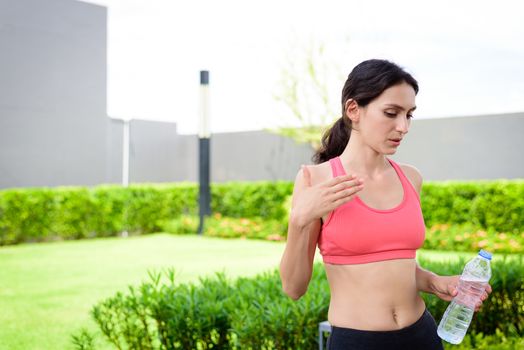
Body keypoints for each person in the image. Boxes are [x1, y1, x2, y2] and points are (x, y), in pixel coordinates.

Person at [279, 59, 492, 350]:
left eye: (409, 115)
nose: (403, 127)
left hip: (422, 336)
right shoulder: (314, 180)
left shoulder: (410, 178)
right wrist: (299, 219)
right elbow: (293, 288)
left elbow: (397, 267)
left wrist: (436, 282)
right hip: (357, 341)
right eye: (391, 113)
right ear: (353, 110)